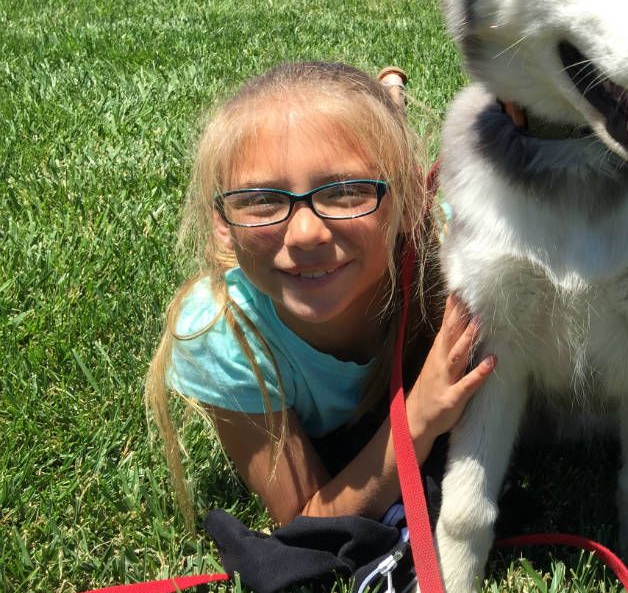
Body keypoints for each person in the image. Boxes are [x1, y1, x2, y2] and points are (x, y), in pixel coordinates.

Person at [146, 61, 495, 527]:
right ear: (222, 225)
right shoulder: (225, 337)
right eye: (260, 199)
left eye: (348, 191)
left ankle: (391, 96)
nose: (306, 234)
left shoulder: (456, 261)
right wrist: (418, 418)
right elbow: (307, 521)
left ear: (412, 199)